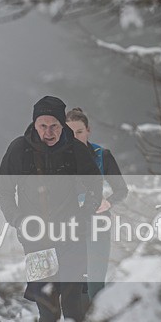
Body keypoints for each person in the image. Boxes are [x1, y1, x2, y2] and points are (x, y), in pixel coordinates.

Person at [0, 96, 103, 322]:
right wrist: (17, 219)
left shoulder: (75, 149)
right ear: (34, 124)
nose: (48, 132)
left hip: (72, 235)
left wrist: (86, 214)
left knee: (73, 301)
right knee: (46, 303)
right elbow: (3, 190)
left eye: (54, 125)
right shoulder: (18, 149)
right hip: (36, 238)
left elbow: (95, 186)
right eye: (43, 125)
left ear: (62, 124)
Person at [65, 107, 129, 300]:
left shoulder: (102, 155)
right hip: (67, 223)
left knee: (95, 278)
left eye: (79, 132)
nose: (75, 137)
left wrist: (108, 203)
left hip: (97, 221)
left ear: (88, 131)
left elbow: (121, 190)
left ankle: (96, 321)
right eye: (70, 133)